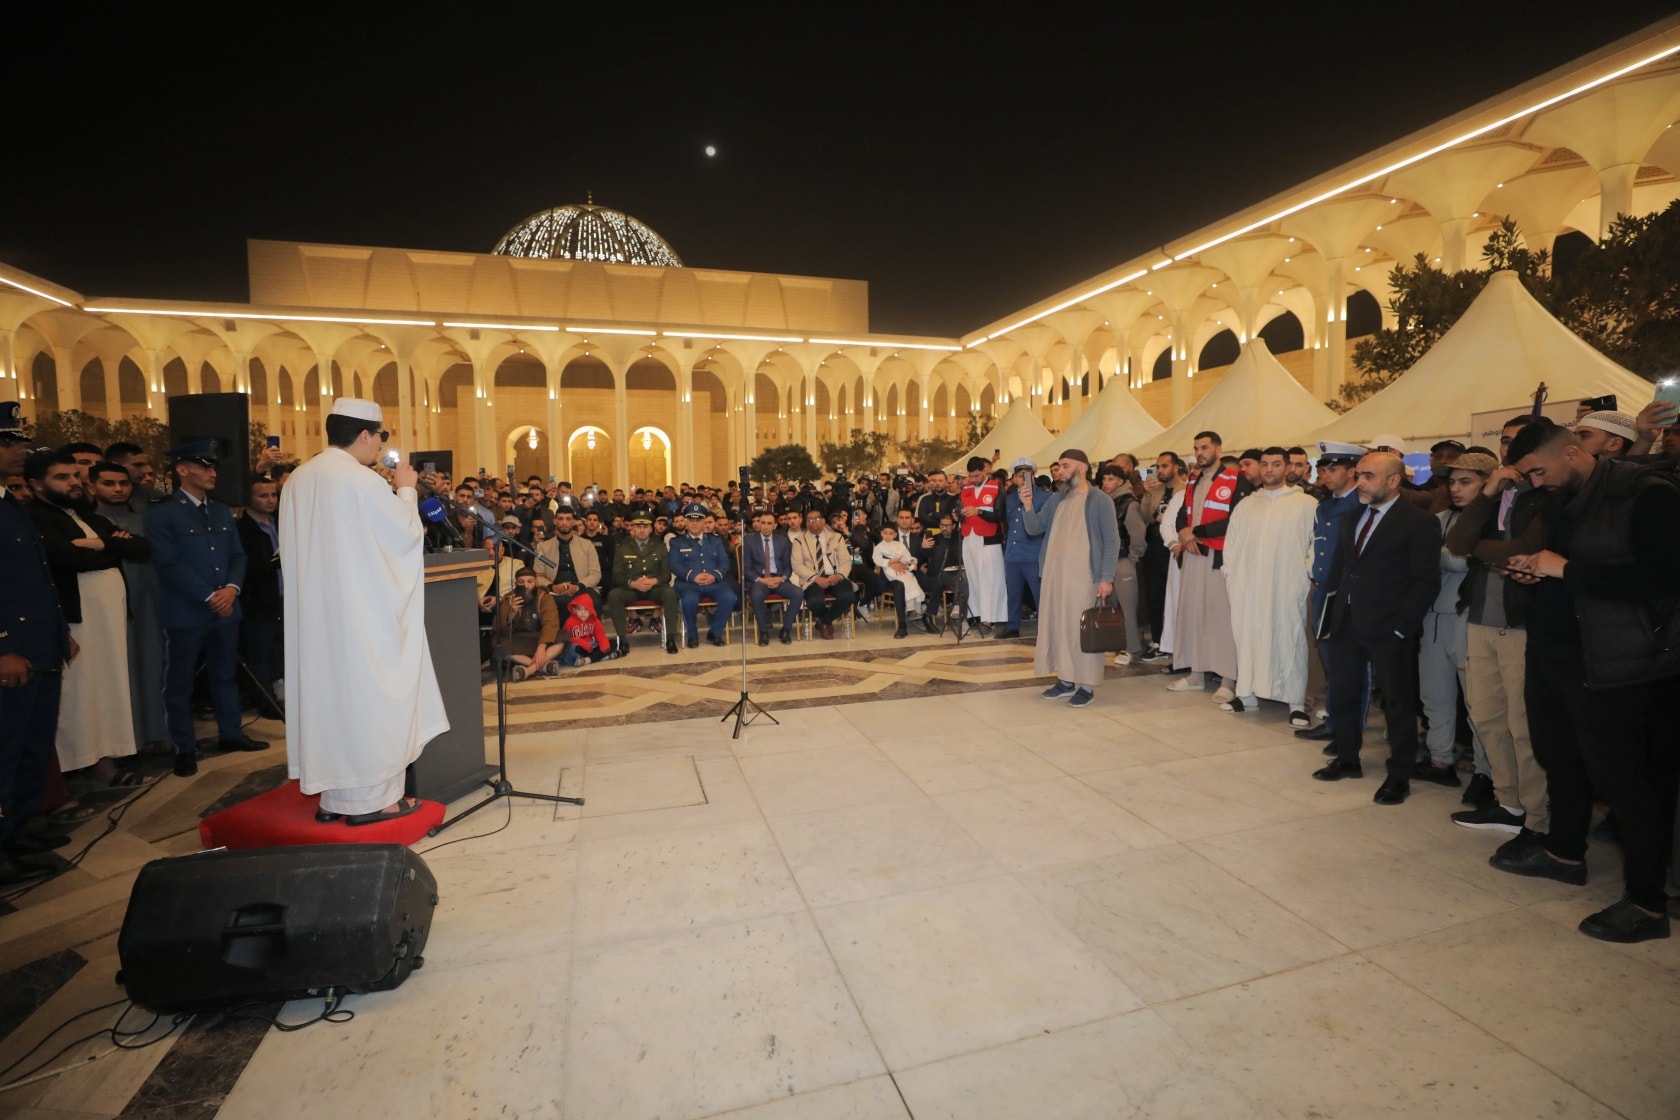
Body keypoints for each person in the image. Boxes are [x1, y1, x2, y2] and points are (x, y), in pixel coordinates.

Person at [1499, 421, 1680, 943]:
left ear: (1574, 453)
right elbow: (1566, 568)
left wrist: (1565, 571)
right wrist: (1535, 570)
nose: (1535, 482)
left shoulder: (1646, 495)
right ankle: (1563, 852)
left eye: (1540, 470)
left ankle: (1647, 904)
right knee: (1561, 759)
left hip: (1614, 663)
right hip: (1557, 653)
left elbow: (1665, 580)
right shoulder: (1565, 495)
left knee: (1625, 782)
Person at [280, 399, 447, 825]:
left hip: (318, 619)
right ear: (365, 435)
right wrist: (406, 488)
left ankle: (334, 798)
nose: (379, 447)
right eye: (380, 436)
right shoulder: (361, 481)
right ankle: (377, 801)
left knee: (329, 699)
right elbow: (404, 537)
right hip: (361, 616)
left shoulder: (300, 478)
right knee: (368, 699)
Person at [1312, 451, 1442, 806]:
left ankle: (1399, 776)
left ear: (1393, 480)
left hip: (1390, 629)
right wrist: (1330, 618)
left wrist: (1402, 628)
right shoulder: (1352, 516)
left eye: (1368, 476)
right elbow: (1340, 572)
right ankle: (1348, 758)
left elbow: (1425, 581)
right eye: (1359, 475)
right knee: (1345, 693)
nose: (1360, 483)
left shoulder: (1419, 522)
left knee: (1398, 704)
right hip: (1347, 623)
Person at [1444, 423, 1551, 833]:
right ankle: (1508, 805)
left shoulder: (1546, 495)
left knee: (1523, 726)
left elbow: (1520, 552)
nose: (1509, 448)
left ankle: (1537, 818)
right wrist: (1487, 494)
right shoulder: (1496, 494)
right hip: (1480, 620)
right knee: (1487, 717)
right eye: (1504, 440)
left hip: (1522, 625)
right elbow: (1458, 542)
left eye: (1517, 441)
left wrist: (1484, 552)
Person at [26, 449, 151, 787]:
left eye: (75, 476)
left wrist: (98, 543)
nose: (74, 483)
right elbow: (66, 556)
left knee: (108, 687)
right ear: (37, 484)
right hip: (76, 619)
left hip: (108, 620)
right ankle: (76, 767)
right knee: (81, 692)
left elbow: (140, 548)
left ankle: (107, 762)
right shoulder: (36, 516)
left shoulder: (88, 515)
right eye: (62, 477)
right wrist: (110, 546)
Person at [145, 439, 265, 778]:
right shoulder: (162, 512)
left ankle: (231, 733)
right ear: (182, 470)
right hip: (188, 611)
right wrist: (210, 596)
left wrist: (231, 589)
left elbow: (237, 555)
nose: (213, 472)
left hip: (226, 608)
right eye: (205, 466)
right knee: (179, 683)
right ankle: (183, 747)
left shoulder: (221, 510)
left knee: (225, 675)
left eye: (213, 467)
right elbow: (168, 563)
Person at [0, 404, 77, 883]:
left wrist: (57, 631)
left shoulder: (10, 501)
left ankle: (20, 828)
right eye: (10, 442)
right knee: (5, 750)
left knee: (32, 745)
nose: (21, 450)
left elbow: (35, 578)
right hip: (12, 651)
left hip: (39, 645)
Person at [1414, 452, 1497, 788]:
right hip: (1433, 617)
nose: (1456, 488)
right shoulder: (1440, 517)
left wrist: (1432, 555)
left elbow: (1465, 561)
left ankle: (1487, 774)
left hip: (1471, 620)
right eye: (1452, 482)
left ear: (1489, 483)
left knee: (1479, 703)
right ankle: (1440, 760)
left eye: (1466, 481)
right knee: (1435, 695)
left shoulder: (1495, 520)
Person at [1221, 447, 1317, 721]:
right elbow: (1232, 545)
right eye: (1265, 464)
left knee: (1289, 639)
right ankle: (1247, 694)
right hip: (1248, 587)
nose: (1270, 470)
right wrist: (1232, 575)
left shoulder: (1305, 505)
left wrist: (1304, 577)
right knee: (1248, 637)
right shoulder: (1247, 504)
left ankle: (1295, 702)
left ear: (1288, 468)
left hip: (1285, 587)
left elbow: (1313, 545)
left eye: (1276, 464)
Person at [1019, 450, 1118, 708]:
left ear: (1082, 468)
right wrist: (1028, 505)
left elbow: (1111, 542)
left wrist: (1106, 578)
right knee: (1058, 627)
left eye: (1065, 466)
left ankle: (1086, 685)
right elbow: (1034, 528)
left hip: (1084, 577)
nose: (1059, 471)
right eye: (1059, 466)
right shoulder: (1057, 499)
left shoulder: (1100, 500)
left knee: (1081, 632)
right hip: (1054, 576)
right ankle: (1065, 680)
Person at [89, 460, 169, 751]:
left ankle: (158, 734)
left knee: (153, 665)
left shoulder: (146, 517)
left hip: (150, 602)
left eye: (123, 483)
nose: (118, 489)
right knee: (119, 672)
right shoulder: (89, 521)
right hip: (110, 609)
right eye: (108, 483)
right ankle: (125, 742)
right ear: (92, 486)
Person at [1295, 442, 1368, 742]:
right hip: (1323, 590)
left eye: (1333, 469)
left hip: (1348, 594)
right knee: (1331, 663)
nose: (1326, 474)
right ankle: (1334, 724)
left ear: (1352, 471)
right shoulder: (1324, 505)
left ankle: (1349, 731)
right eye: (1323, 468)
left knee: (1353, 668)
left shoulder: (1361, 505)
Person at [1169, 431, 1249, 702]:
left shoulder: (1237, 479)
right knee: (1195, 615)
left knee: (1221, 619)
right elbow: (1183, 515)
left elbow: (1236, 519)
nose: (1200, 452)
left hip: (1219, 557)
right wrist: (1183, 532)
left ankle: (1228, 679)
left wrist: (1196, 532)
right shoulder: (1193, 479)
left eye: (1204, 447)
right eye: (1196, 448)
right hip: (1194, 556)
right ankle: (1196, 674)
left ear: (1218, 448)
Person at [235, 476, 284, 715]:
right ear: (249, 499)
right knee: (260, 652)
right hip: (259, 600)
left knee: (281, 650)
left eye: (273, 495)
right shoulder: (243, 529)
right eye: (263, 496)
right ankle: (265, 701)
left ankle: (283, 694)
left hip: (284, 598)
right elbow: (244, 567)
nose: (270, 500)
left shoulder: (281, 523)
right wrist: (275, 561)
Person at [605, 514, 680, 655]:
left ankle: (670, 637)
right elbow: (617, 574)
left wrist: (654, 581)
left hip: (654, 588)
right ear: (632, 528)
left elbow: (666, 574)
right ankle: (622, 639)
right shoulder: (623, 548)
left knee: (670, 593)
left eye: (645, 527)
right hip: (631, 588)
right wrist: (632, 583)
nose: (641, 530)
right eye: (638, 526)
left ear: (651, 529)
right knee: (614, 596)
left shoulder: (660, 546)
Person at [1098, 464, 1148, 664]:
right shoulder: (1105, 503)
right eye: (1104, 479)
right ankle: (1115, 643)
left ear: (1120, 481)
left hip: (1124, 560)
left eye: (1110, 479)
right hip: (1107, 561)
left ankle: (1132, 648)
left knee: (1128, 606)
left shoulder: (1129, 504)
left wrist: (1133, 558)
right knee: (1111, 605)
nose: (1106, 483)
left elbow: (1138, 535)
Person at [669, 502, 736, 647]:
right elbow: (674, 565)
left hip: (714, 582)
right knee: (688, 601)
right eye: (691, 520)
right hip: (689, 584)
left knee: (730, 598)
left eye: (698, 520)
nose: (694, 524)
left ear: (704, 522)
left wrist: (714, 575)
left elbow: (724, 562)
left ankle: (715, 632)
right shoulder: (676, 542)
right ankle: (692, 635)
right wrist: (693, 576)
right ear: (685, 522)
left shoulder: (715, 540)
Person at [1136, 451, 1182, 662]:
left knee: (1174, 596)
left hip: (1175, 548)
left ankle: (1175, 641)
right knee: (1154, 595)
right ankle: (1157, 640)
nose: (1161, 470)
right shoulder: (1156, 490)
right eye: (1158, 466)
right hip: (1154, 547)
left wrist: (1162, 518)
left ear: (1175, 467)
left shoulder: (1185, 489)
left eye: (1165, 466)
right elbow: (1146, 516)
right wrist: (1146, 494)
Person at [997, 457, 1047, 640]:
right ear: (1014, 478)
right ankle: (1012, 625)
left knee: (1039, 594)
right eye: (1019, 476)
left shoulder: (1045, 497)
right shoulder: (1010, 499)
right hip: (1013, 553)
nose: (1023, 479)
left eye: (1027, 475)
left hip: (1034, 553)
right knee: (1013, 592)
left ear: (1033, 476)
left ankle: (1045, 627)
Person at [792, 507, 855, 639]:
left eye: (816, 519)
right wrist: (816, 578)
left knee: (848, 596)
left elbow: (845, 560)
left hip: (835, 576)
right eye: (809, 520)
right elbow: (797, 565)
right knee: (814, 601)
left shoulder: (836, 537)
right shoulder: (799, 540)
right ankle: (825, 622)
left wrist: (839, 575)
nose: (812, 522)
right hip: (812, 578)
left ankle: (824, 621)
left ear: (823, 521)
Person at [958, 456, 1006, 630]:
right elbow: (958, 508)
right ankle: (976, 614)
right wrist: (958, 514)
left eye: (977, 476)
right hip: (969, 537)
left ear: (985, 471)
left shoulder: (997, 488)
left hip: (989, 539)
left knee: (990, 579)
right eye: (971, 476)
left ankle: (990, 617)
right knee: (973, 578)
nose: (974, 479)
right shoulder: (966, 489)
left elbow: (1000, 515)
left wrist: (979, 512)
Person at [743, 510, 801, 645]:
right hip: (760, 579)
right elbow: (746, 568)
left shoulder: (783, 541)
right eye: (762, 523)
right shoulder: (749, 541)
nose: (765, 526)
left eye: (769, 523)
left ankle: (786, 629)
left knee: (798, 594)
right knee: (756, 595)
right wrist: (761, 579)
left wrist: (782, 578)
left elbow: (788, 566)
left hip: (778, 579)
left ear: (775, 525)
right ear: (758, 524)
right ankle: (763, 631)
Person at [497, 567, 560, 678]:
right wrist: (512, 613)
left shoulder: (544, 597)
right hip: (518, 641)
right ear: (515, 583)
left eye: (530, 581)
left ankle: (529, 670)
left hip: (539, 639)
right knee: (497, 642)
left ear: (536, 582)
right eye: (521, 582)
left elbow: (551, 623)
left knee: (562, 636)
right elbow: (500, 628)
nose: (526, 586)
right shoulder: (508, 599)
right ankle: (542, 666)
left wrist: (541, 647)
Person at [545, 508, 602, 614]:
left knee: (594, 601)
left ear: (573, 522)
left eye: (568, 519)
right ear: (555, 521)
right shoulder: (544, 547)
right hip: (554, 590)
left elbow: (595, 574)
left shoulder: (587, 545)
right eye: (561, 519)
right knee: (549, 603)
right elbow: (538, 575)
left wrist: (578, 587)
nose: (564, 523)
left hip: (582, 587)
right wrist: (552, 587)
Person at [872, 524, 925, 639]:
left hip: (902, 569)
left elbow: (907, 556)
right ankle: (910, 610)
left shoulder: (899, 545)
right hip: (890, 571)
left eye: (890, 534)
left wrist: (907, 563)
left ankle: (914, 609)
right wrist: (890, 562)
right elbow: (877, 559)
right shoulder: (879, 547)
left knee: (911, 580)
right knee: (903, 583)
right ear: (881, 533)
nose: (887, 536)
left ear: (895, 535)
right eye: (885, 533)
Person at [558, 596, 617, 666]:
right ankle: (601, 657)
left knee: (612, 643)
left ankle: (588, 659)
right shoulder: (569, 622)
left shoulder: (594, 620)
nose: (583, 613)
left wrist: (604, 647)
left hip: (591, 645)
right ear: (574, 610)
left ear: (590, 611)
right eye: (579, 609)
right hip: (578, 647)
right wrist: (583, 644)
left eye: (586, 609)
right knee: (573, 648)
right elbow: (567, 639)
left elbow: (600, 635)